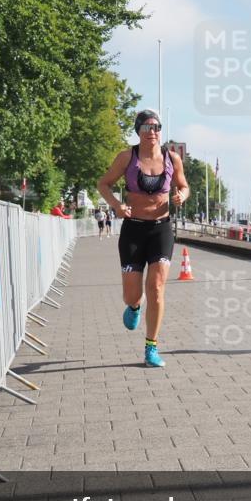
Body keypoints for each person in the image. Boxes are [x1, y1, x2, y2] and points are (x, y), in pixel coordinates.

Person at [97, 109, 189, 367]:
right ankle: (135, 307)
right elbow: (103, 183)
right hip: (133, 230)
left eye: (157, 127)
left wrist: (183, 195)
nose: (153, 132)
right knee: (132, 294)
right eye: (147, 127)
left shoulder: (172, 159)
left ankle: (151, 347)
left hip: (161, 229)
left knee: (157, 287)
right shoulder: (127, 157)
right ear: (138, 130)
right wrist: (116, 205)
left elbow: (184, 185)